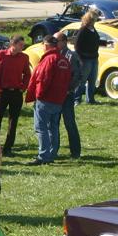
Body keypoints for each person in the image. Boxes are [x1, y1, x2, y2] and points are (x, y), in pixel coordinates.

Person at [25, 35, 71, 166]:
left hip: (45, 99)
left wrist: (38, 96)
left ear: (46, 45)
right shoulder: (64, 60)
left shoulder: (49, 60)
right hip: (58, 99)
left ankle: (44, 155)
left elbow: (42, 80)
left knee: (41, 128)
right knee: (53, 127)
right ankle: (52, 153)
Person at [0, 35, 30, 155]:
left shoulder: (24, 57)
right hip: (3, 92)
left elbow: (27, 74)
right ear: (13, 44)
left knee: (13, 120)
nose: (23, 47)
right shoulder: (0, 55)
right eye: (21, 45)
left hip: (16, 92)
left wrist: (23, 88)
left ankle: (8, 147)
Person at [56, 32, 86, 159]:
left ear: (63, 41)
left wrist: (68, 89)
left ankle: (75, 152)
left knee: (69, 123)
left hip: (67, 95)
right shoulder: (54, 54)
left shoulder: (71, 56)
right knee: (54, 124)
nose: (54, 43)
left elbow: (77, 75)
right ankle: (53, 150)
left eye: (56, 41)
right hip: (55, 96)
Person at [75, 11, 100, 104]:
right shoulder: (83, 30)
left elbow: (95, 41)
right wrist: (80, 59)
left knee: (92, 81)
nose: (95, 21)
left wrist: (105, 43)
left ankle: (90, 99)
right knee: (82, 80)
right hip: (85, 59)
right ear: (90, 19)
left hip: (94, 58)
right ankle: (77, 99)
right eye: (94, 19)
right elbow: (77, 46)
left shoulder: (93, 29)